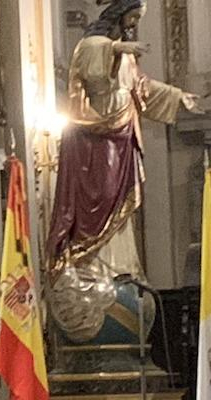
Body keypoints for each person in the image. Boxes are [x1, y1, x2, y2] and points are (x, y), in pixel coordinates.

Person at [45, 0, 205, 342]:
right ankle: (95, 265)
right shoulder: (95, 45)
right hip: (95, 146)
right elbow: (92, 73)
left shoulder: (126, 55)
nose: (132, 26)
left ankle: (120, 267)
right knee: (101, 199)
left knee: (122, 211)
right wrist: (116, 47)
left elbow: (141, 88)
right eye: (131, 18)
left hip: (122, 141)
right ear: (116, 16)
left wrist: (179, 98)